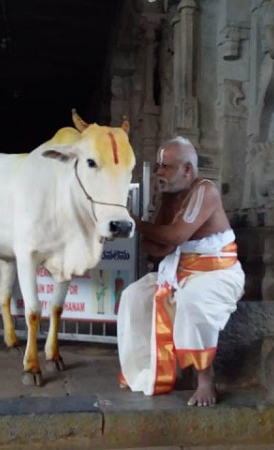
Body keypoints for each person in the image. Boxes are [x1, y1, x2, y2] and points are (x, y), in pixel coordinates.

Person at [117, 136, 245, 407]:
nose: (159, 173)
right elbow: (159, 247)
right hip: (178, 270)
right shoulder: (169, 197)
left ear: (187, 170)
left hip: (217, 274)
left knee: (191, 300)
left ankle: (205, 379)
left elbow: (174, 236)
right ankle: (148, 370)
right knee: (133, 296)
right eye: (158, 166)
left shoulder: (205, 191)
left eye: (166, 166)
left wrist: (138, 224)